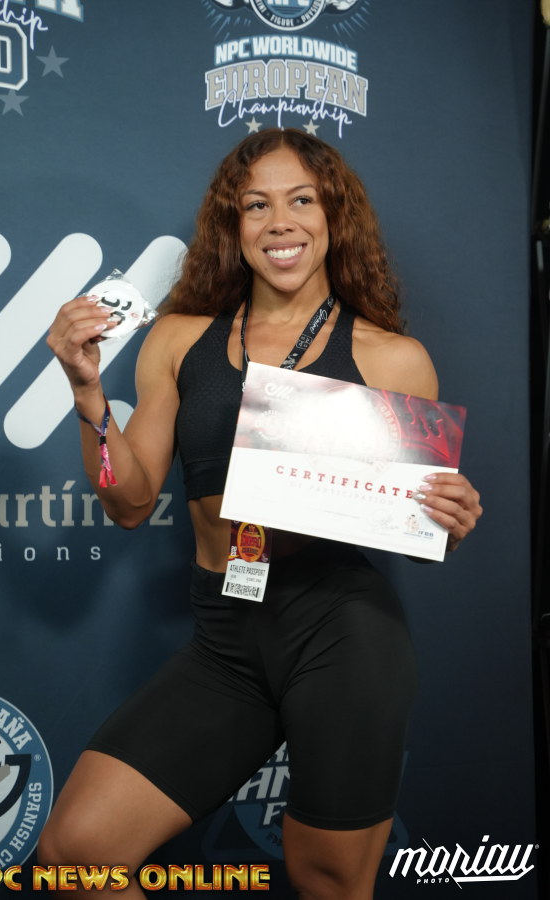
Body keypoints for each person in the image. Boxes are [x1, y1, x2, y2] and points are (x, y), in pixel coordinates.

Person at [40, 129, 482, 899]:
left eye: (301, 200)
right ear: (233, 225)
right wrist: (87, 395)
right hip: (225, 639)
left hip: (339, 630)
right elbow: (128, 500)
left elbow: (415, 531)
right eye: (256, 205)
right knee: (78, 852)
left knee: (327, 879)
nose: (281, 222)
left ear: (333, 217)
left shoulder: (392, 357)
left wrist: (447, 516)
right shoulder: (179, 340)